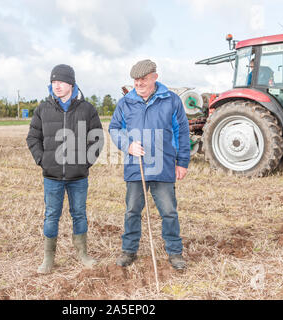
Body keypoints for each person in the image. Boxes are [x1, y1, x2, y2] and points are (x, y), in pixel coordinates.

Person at [109, 59, 190, 270]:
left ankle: (175, 253)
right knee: (132, 210)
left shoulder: (171, 100)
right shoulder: (125, 102)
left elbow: (182, 133)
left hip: (163, 165)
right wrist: (127, 146)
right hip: (136, 166)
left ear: (155, 77)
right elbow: (115, 128)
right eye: (136, 80)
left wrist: (182, 162)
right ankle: (128, 251)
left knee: (169, 211)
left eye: (143, 79)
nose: (139, 83)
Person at [27, 64, 104, 274]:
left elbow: (97, 139)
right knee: (51, 215)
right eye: (53, 82)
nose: (56, 86)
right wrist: (43, 160)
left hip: (78, 176)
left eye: (60, 82)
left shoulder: (87, 109)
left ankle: (82, 254)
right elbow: (33, 137)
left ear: (71, 83)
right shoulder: (43, 108)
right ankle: (48, 258)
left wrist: (85, 162)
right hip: (52, 176)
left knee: (79, 214)